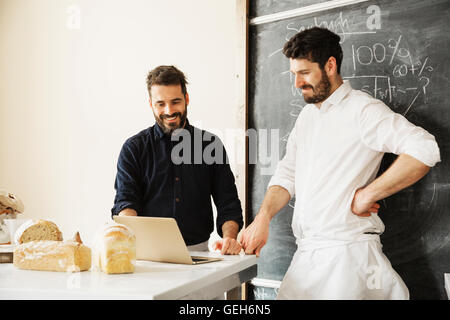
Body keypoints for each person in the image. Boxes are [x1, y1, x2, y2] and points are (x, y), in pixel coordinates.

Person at [239, 27, 441, 299]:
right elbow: (287, 174)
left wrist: (369, 193)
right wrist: (262, 218)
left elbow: (425, 148)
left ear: (330, 65)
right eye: (293, 74)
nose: (297, 83)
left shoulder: (363, 110)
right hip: (306, 256)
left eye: (304, 73)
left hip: (347, 258)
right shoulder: (307, 118)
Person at [112, 65, 243, 255]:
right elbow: (126, 202)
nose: (169, 111)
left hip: (200, 253)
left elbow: (228, 203)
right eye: (160, 104)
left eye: (175, 102)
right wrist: (133, 234)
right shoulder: (134, 148)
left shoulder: (210, 145)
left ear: (186, 99)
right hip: (148, 255)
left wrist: (229, 237)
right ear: (150, 104)